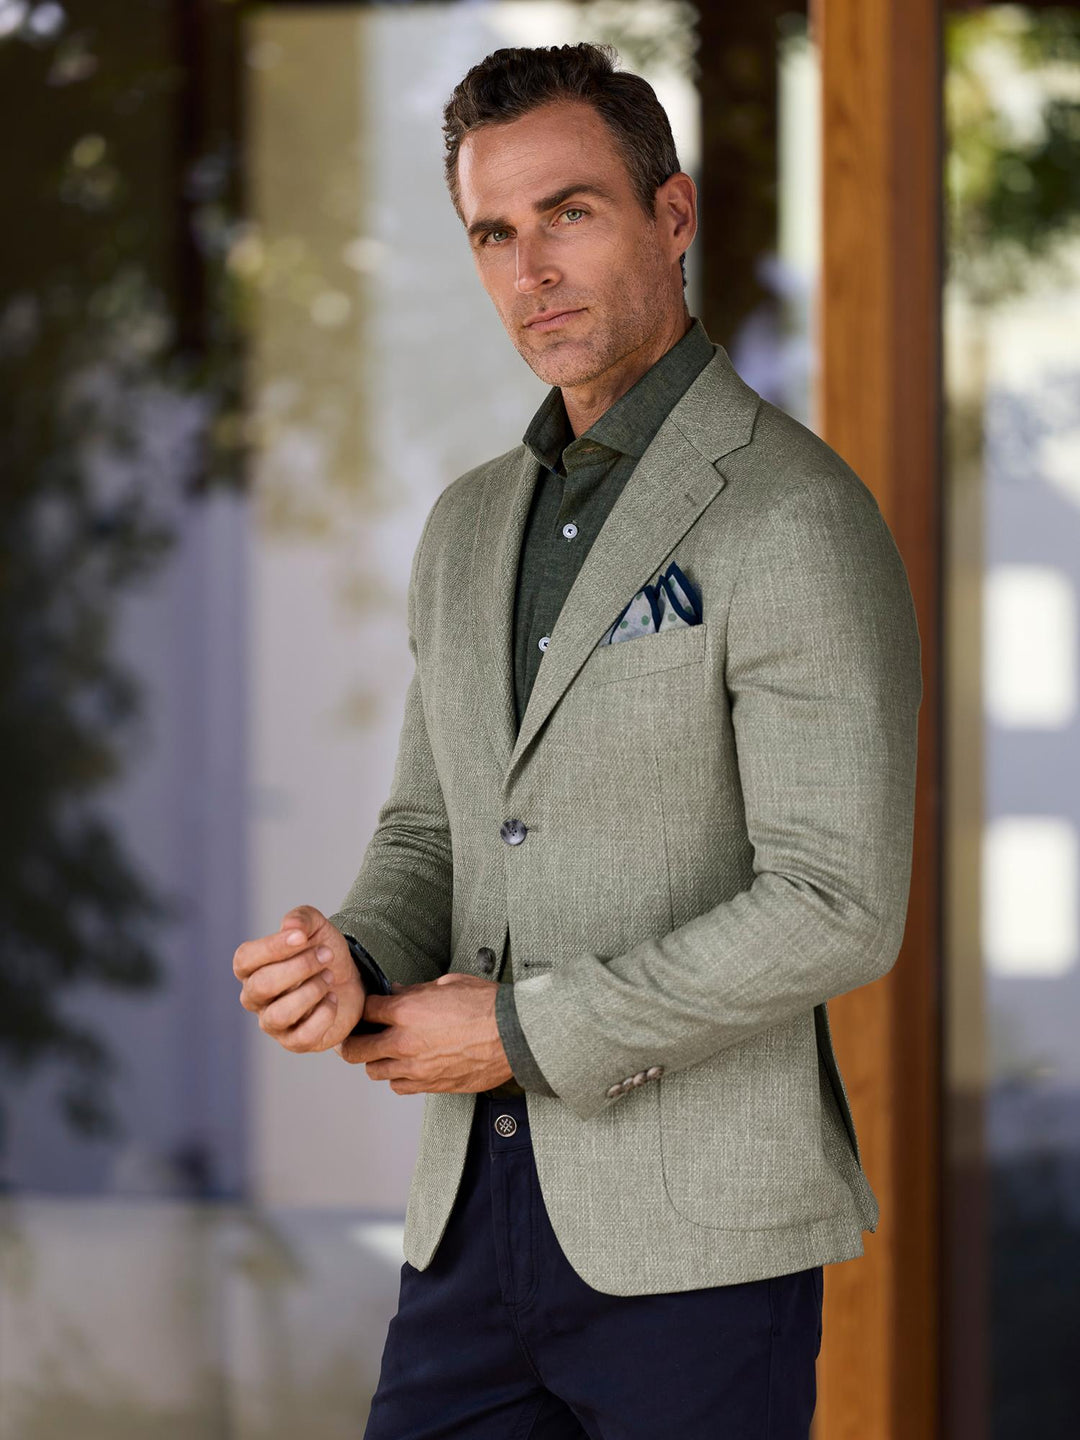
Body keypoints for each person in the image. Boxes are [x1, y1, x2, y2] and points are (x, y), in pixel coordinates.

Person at [232, 41, 922, 1439]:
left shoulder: (795, 515)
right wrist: (355, 956)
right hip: (466, 1235)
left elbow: (836, 905)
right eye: (495, 233)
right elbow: (434, 828)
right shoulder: (467, 526)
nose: (530, 268)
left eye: (570, 213)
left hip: (700, 1253)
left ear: (672, 215)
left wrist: (515, 1032)